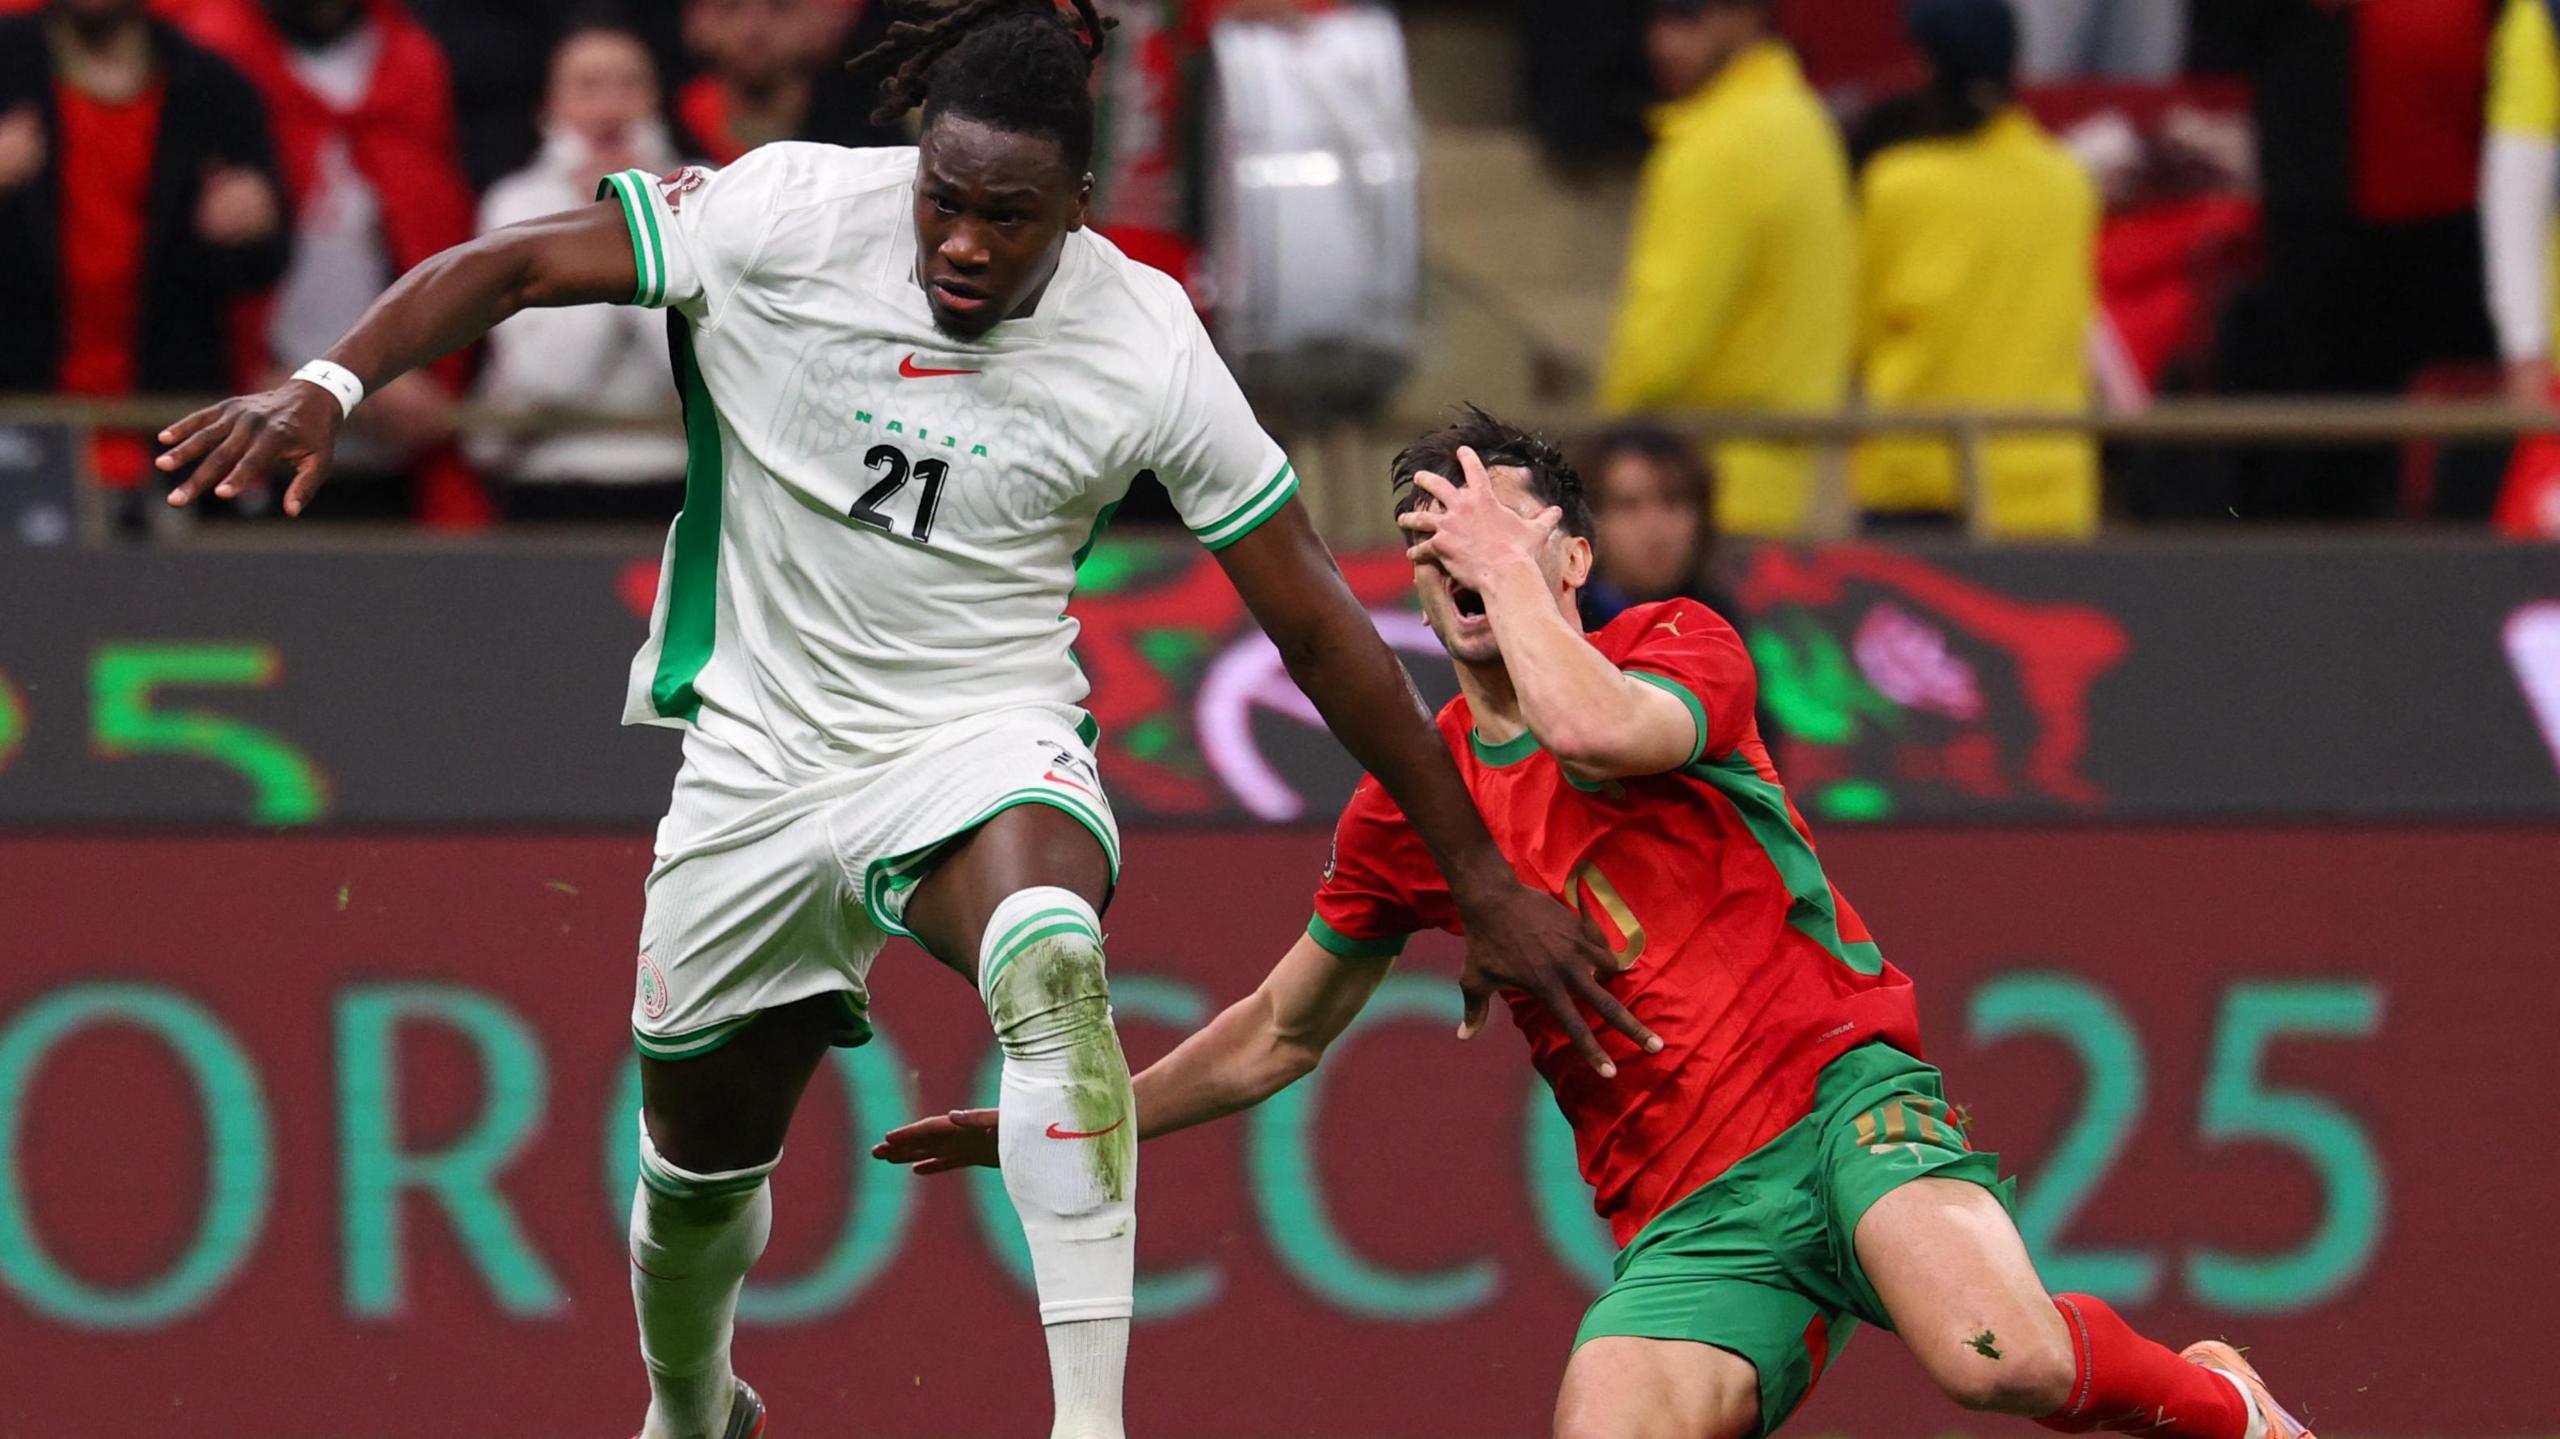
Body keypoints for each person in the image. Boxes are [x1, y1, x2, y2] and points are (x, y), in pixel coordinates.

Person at [152, 3, 1651, 1436]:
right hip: (756, 753)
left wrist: (1477, 873)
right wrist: (331, 381)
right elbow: (522, 263)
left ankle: (1089, 1418)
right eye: (944, 199)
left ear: (1078, 207)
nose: (962, 242)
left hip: (977, 734)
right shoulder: (788, 211)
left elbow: (1317, 621)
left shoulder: (1144, 337)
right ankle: (692, 1404)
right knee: (696, 1166)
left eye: (1008, 216)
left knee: (1051, 960)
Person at [880, 407, 2322, 1439]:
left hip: (1840, 1105)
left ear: (1570, 556)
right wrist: (1078, 1117)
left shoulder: (1675, 643)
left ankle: (2227, 1402)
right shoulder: (1413, 801)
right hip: (1687, 1219)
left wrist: (1509, 567)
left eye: (1492, 524)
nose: (1457, 557)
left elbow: (1595, 726)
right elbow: (1277, 1031)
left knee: (1997, 1355)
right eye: (1430, 539)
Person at [182, 0, 487, 525]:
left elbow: (442, 227)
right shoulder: (214, 56)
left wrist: (418, 368)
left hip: (394, 436)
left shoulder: (412, 63)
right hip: (252, 427)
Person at [0, 0, 286, 528]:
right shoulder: (10, 65)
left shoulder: (214, 90)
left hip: (169, 441)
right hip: (21, 434)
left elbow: (264, 267)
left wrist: (253, 224)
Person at [1598, 0, 1853, 539]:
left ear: (1752, 13)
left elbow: (1659, 353)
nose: (1663, 42)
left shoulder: (1713, 146)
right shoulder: (1806, 122)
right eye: (1656, 16)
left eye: (1689, 15)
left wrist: (1596, 459)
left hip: (1691, 502)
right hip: (1785, 489)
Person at [1850, 0, 2101, 538]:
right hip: (2047, 491)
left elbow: (1856, 335)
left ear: (1928, 68)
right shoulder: (2067, 183)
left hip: (1919, 487)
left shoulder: (1897, 185)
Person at [471, 23, 688, 518]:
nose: (610, 108)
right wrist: (616, 225)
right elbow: (548, 377)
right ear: (549, 108)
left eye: (629, 86)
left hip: (681, 476)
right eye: (588, 87)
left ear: (657, 101)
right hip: (549, 478)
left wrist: (639, 215)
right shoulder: (516, 204)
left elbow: (693, 365)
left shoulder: (706, 189)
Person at [674, 0, 902, 164]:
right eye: (730, 7)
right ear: (695, 22)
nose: (753, 30)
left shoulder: (872, 134)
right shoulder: (670, 127)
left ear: (824, 20)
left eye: (780, 7)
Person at [1578, 423, 1732, 627]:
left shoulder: (1720, 621)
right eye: (1628, 505)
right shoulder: (1561, 623)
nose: (1655, 529)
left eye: (1673, 502)